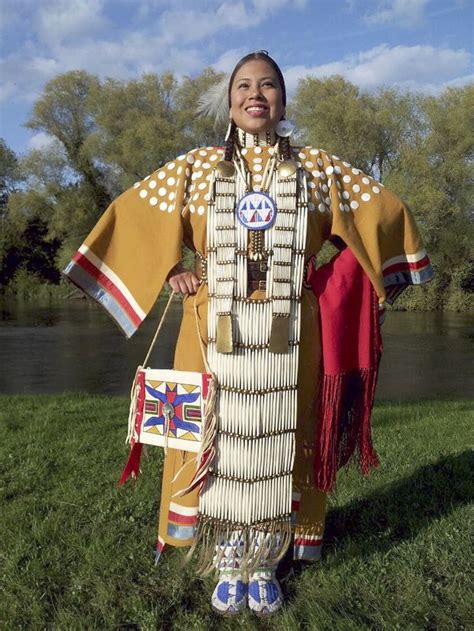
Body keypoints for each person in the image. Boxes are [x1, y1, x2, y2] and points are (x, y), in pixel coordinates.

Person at [64, 51, 433, 616]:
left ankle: (265, 556)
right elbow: (137, 216)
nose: (255, 94)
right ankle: (226, 550)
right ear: (229, 99)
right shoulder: (196, 167)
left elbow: (381, 214)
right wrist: (172, 269)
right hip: (211, 328)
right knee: (217, 433)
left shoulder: (319, 168)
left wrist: (340, 284)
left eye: (268, 85)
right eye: (244, 86)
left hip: (291, 333)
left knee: (282, 435)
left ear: (283, 99)